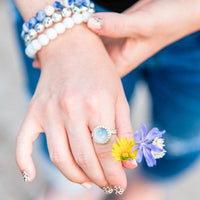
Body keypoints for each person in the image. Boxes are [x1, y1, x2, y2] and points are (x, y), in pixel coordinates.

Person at [12, 0, 200, 199]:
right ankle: (74, 184)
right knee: (69, 124)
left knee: (184, 133)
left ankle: (151, 181)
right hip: (70, 15)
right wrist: (61, 38)